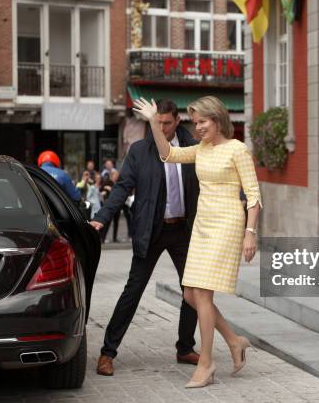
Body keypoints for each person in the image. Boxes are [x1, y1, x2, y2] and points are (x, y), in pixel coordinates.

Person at [132, 96, 262, 388]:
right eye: (195, 122)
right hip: (202, 226)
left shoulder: (237, 149)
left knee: (202, 294)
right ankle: (234, 340)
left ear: (217, 119)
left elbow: (253, 196)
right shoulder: (200, 150)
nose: (198, 127)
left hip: (227, 224)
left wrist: (250, 234)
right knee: (190, 294)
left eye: (203, 121)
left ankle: (206, 363)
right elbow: (167, 154)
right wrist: (154, 121)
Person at [89, 99, 200, 376]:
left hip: (184, 231)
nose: (160, 128)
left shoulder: (193, 147)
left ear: (177, 121)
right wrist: (101, 218)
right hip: (150, 231)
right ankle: (107, 352)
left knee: (194, 290)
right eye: (156, 122)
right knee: (133, 291)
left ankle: (185, 347)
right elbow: (122, 187)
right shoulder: (140, 151)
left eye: (166, 123)